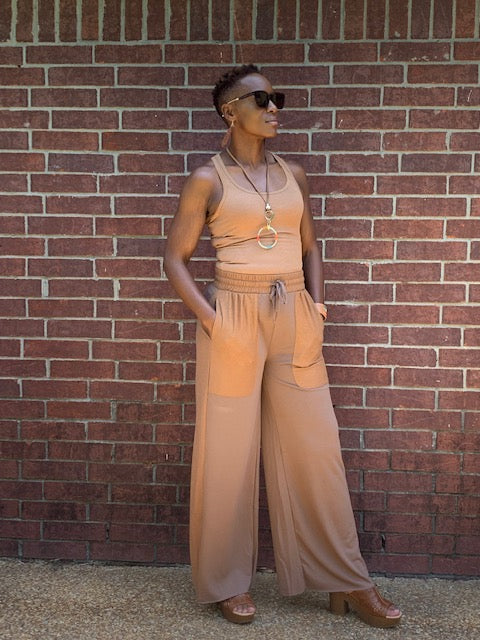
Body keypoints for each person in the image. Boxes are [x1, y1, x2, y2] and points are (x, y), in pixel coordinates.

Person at [164, 64, 402, 629]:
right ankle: (227, 582)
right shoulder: (207, 178)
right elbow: (175, 259)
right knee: (227, 452)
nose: (274, 108)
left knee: (317, 448)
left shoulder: (293, 173)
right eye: (262, 99)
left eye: (277, 99)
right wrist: (214, 322)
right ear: (230, 111)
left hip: (294, 314)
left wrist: (316, 305)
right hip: (233, 317)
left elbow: (310, 245)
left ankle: (348, 580)